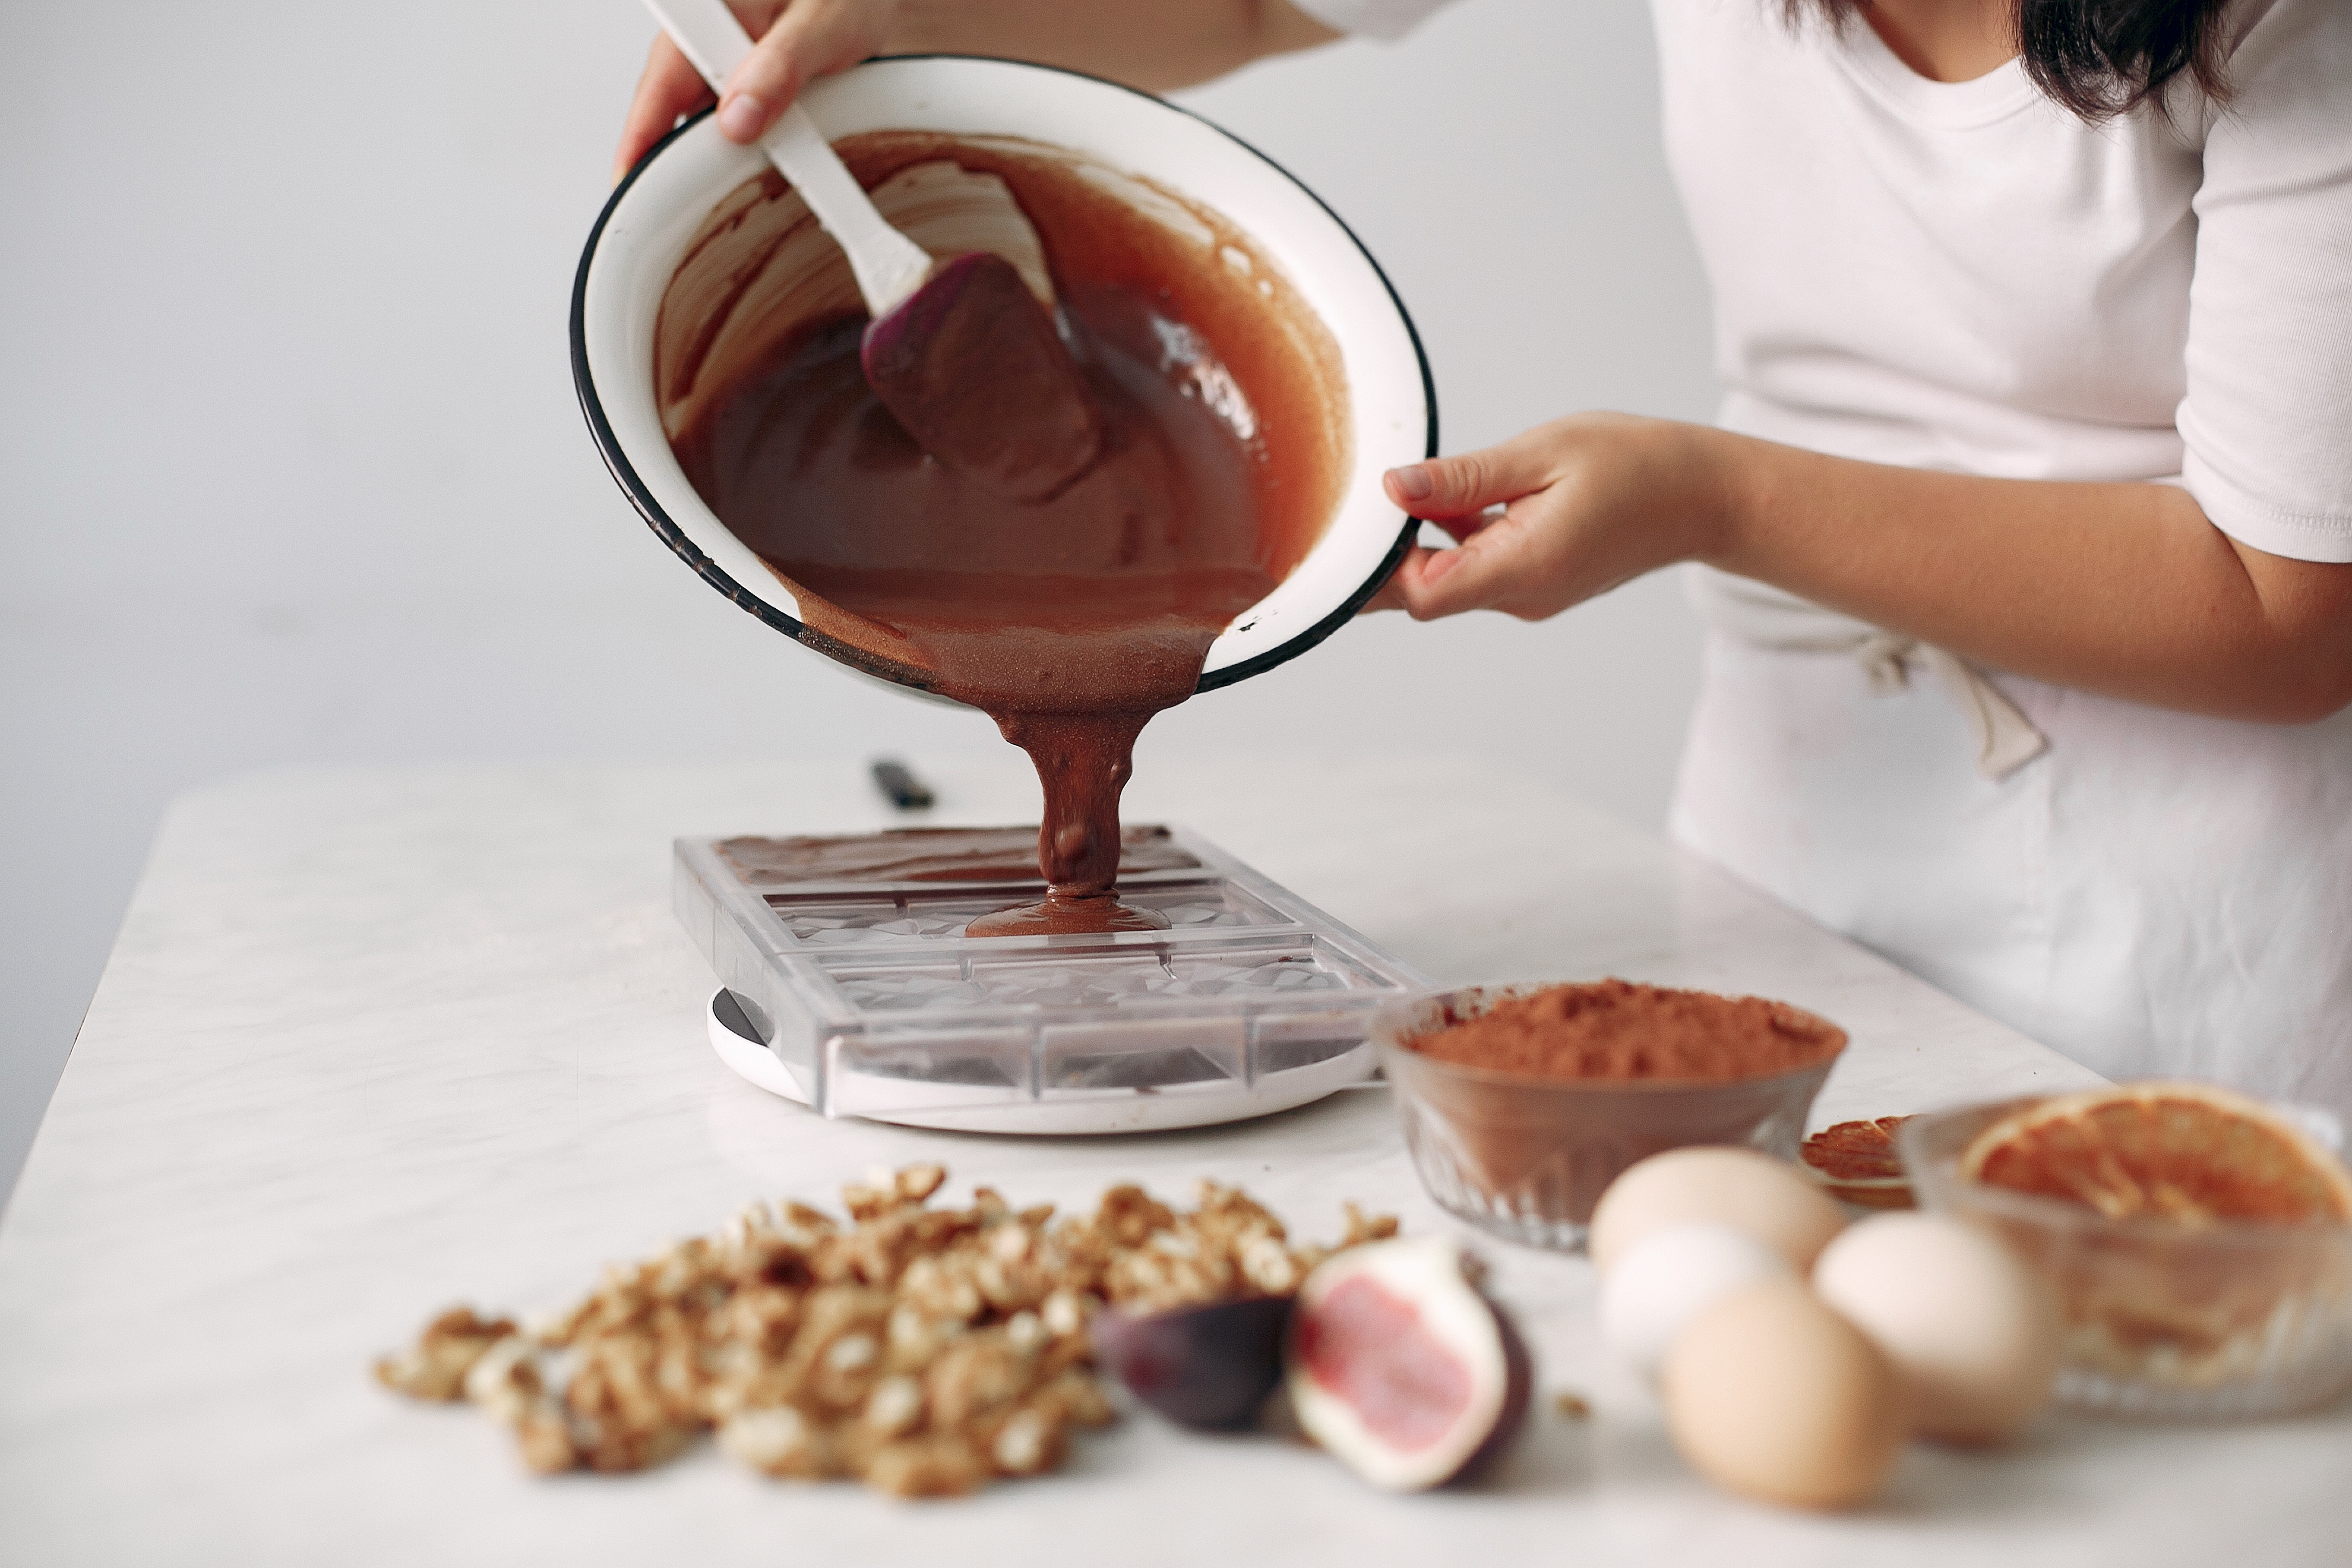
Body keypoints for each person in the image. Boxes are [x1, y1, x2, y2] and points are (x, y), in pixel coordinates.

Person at [616, 0, 2352, 1120]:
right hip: (1783, 839)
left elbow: (2286, 609)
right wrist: (897, 15)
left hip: (2179, 942)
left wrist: (1706, 499)